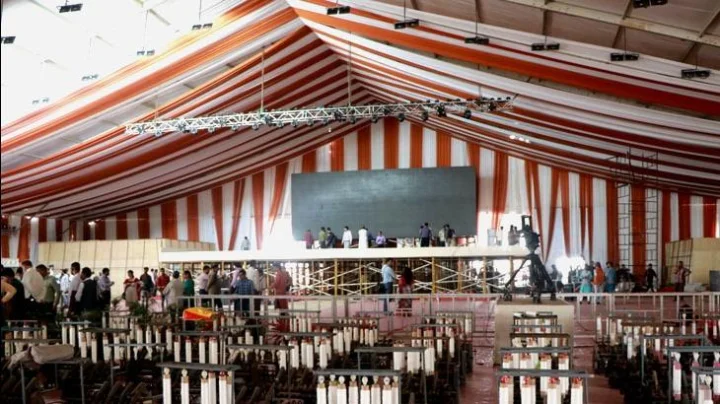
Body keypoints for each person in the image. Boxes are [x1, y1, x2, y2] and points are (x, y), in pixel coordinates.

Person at [273, 263, 292, 330]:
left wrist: (270, 287)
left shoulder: (280, 274)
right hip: (283, 292)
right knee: (282, 306)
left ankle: (283, 321)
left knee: (282, 306)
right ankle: (283, 319)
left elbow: (277, 283)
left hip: (280, 292)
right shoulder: (284, 274)